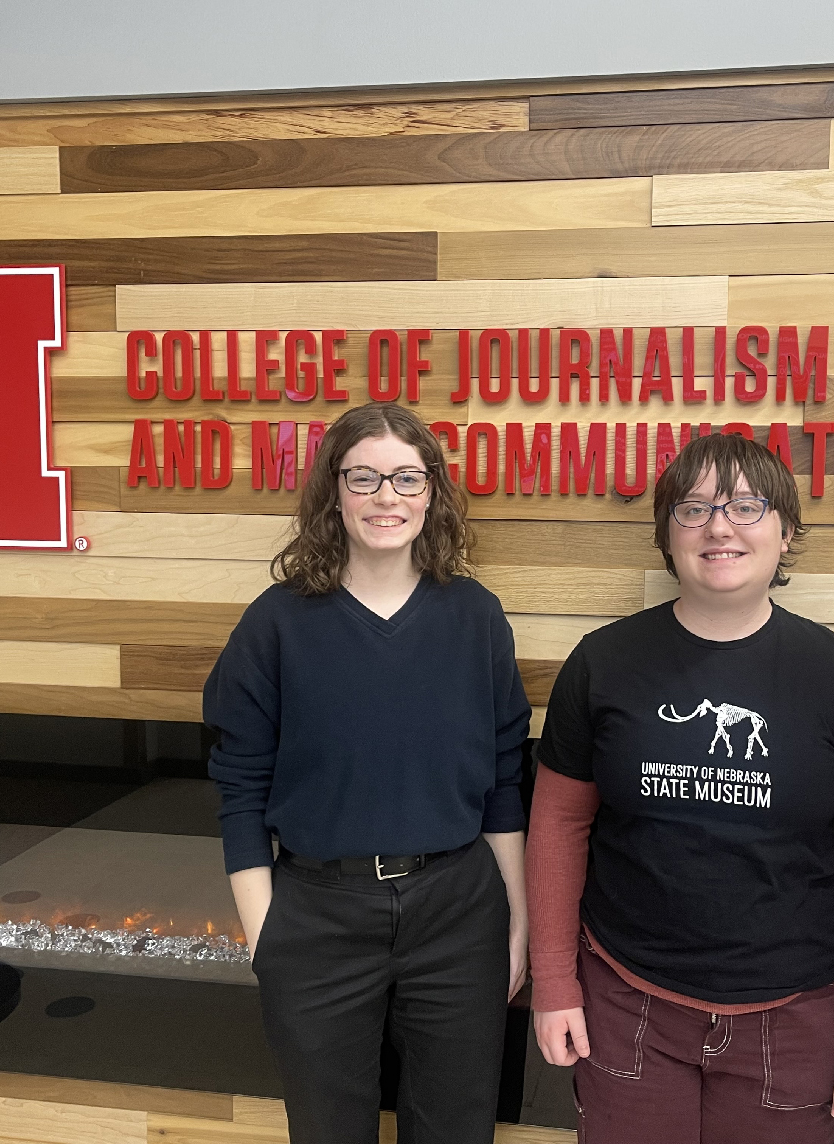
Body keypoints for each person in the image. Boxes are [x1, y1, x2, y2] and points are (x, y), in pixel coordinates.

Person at [526, 432, 834, 1144]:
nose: (719, 526)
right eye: (694, 507)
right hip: (624, 1005)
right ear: (666, 533)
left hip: (794, 1024)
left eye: (746, 505)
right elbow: (556, 825)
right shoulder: (603, 662)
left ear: (786, 531)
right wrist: (552, 984)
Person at [203, 403, 531, 1144]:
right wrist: (267, 939)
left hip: (458, 910)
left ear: (432, 492)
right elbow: (239, 788)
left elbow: (504, 780)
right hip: (317, 912)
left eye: (406, 477)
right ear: (334, 492)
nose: (387, 496)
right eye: (365, 477)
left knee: (454, 1127)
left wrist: (517, 923)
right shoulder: (276, 624)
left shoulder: (476, 617)